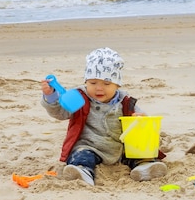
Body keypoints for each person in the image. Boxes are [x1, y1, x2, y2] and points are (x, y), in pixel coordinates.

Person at [40, 47, 167, 186]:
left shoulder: (125, 102)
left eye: (106, 83)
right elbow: (60, 113)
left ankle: (144, 168)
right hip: (91, 146)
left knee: (140, 154)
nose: (99, 88)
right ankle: (83, 172)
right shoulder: (80, 99)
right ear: (86, 82)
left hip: (121, 149)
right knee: (81, 156)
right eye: (93, 83)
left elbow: (144, 124)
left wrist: (140, 118)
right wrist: (51, 96)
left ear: (117, 84)